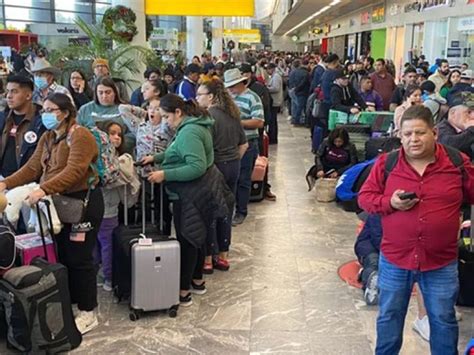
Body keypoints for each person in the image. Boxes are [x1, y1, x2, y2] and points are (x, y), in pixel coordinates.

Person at [358, 105, 474, 355]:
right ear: (400, 135)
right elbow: (365, 198)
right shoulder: (386, 164)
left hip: (440, 262)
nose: (413, 139)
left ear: (434, 132)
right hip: (396, 259)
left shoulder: (457, 163)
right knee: (389, 318)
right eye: (407, 134)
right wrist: (390, 202)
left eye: (420, 133)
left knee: (443, 320)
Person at [0, 93, 105, 335]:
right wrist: (6, 184)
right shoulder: (48, 136)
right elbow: (33, 167)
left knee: (80, 259)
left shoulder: (80, 135)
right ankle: (73, 303)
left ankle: (89, 311)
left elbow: (76, 170)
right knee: (63, 256)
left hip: (82, 204)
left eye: (51, 109)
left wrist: (43, 188)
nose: (46, 114)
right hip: (57, 204)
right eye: (44, 109)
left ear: (65, 112)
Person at [141, 94, 233, 307]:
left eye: (166, 116)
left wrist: (165, 175)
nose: (164, 121)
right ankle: (197, 281)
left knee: (188, 239)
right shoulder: (194, 126)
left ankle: (183, 292)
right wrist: (156, 158)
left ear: (178, 113)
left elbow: (196, 166)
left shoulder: (189, 132)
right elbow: (178, 152)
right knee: (197, 236)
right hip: (200, 192)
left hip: (191, 194)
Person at [196, 79, 248, 273]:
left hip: (215, 168)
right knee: (226, 210)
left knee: (209, 212)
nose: (197, 98)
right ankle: (223, 256)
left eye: (200, 94)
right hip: (233, 166)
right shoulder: (233, 115)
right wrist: (233, 160)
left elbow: (205, 147)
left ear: (210, 96)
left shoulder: (208, 116)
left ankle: (208, 259)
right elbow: (244, 144)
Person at [224, 68, 264, 226]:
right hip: (230, 143)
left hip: (248, 143)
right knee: (230, 178)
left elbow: (259, 121)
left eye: (233, 85)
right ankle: (230, 210)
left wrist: (237, 123)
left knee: (243, 178)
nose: (231, 89)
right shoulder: (229, 98)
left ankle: (241, 211)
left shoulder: (252, 98)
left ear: (241, 83)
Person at [95, 121, 126, 292]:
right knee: (107, 242)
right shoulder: (109, 158)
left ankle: (102, 273)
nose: (116, 137)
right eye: (112, 133)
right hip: (107, 206)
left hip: (102, 204)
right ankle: (109, 277)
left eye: (119, 134)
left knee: (99, 241)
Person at [0, 75, 46, 179]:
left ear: (28, 95)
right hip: (2, 177)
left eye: (14, 91)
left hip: (28, 181)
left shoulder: (41, 122)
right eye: (8, 91)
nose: (9, 96)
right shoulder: (3, 117)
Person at [354, 214, 382, 305]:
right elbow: (377, 238)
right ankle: (370, 289)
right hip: (369, 246)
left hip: (393, 249)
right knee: (374, 262)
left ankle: (363, 274)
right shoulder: (379, 211)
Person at [437, 92, 474, 159]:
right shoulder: (441, 129)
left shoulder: (464, 130)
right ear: (453, 113)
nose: (473, 116)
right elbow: (449, 145)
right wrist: (472, 130)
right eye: (469, 112)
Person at [288, 59, 310, 125]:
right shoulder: (306, 73)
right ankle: (297, 120)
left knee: (294, 106)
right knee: (300, 107)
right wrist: (297, 89)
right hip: (301, 92)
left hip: (292, 90)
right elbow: (304, 83)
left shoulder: (292, 71)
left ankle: (294, 119)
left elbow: (289, 81)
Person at [266, 63, 283, 144]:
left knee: (272, 120)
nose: (267, 71)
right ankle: (272, 136)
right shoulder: (274, 76)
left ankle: (273, 138)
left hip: (275, 101)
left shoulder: (276, 76)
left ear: (271, 69)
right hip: (274, 100)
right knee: (272, 120)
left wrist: (266, 88)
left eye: (268, 69)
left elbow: (276, 88)